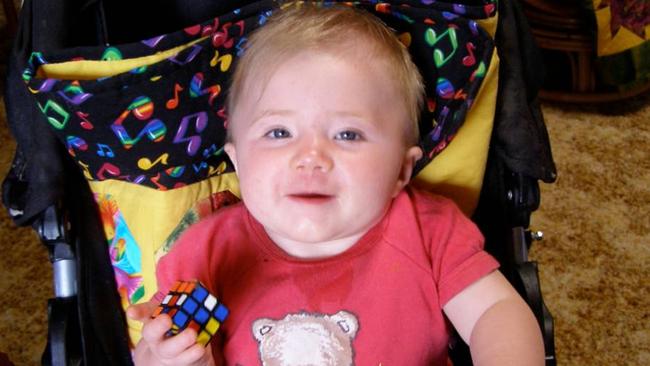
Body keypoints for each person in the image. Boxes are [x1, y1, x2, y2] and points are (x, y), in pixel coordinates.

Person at [127, 3, 545, 365]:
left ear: (402, 170)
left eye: (348, 134)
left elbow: (496, 312)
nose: (310, 156)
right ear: (238, 162)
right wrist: (168, 357)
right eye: (278, 133)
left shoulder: (429, 230)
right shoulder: (205, 252)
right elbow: (152, 353)